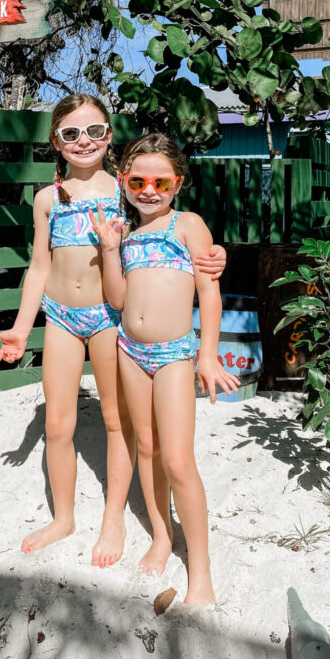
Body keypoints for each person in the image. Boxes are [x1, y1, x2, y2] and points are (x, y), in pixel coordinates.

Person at [0, 95, 226, 567]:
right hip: (60, 315)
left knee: (119, 423)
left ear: (109, 135)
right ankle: (64, 517)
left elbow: (171, 229)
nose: (84, 142)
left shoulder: (126, 193)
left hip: (108, 318)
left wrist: (218, 255)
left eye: (95, 131)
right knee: (58, 423)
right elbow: (39, 268)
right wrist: (20, 328)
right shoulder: (47, 199)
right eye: (71, 133)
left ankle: (114, 516)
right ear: (55, 140)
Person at [91, 133, 238, 604]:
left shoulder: (188, 225)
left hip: (174, 354)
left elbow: (209, 292)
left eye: (161, 181)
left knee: (178, 460)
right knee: (147, 448)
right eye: (138, 180)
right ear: (123, 180)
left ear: (178, 182)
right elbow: (117, 300)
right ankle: (161, 534)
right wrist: (110, 250)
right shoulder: (128, 235)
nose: (149, 190)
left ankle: (202, 572)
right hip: (130, 351)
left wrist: (209, 355)